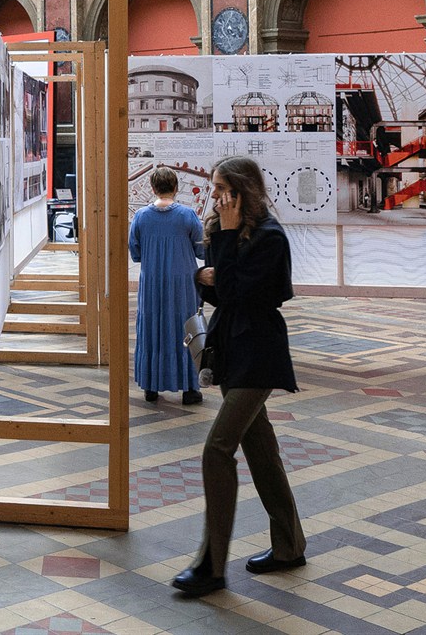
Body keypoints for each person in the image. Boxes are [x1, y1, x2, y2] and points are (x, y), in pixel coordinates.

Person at [172, 156, 306, 599]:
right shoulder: (219, 230)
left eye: (220, 188)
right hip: (231, 350)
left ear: (241, 190)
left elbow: (236, 291)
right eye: (213, 187)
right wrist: (202, 274)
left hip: (259, 353)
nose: (213, 196)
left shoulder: (270, 237)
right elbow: (216, 291)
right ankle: (289, 546)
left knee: (217, 450)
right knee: (262, 452)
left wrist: (222, 261)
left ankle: (211, 566)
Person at [129, 166, 205, 406]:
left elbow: (135, 252)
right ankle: (189, 389)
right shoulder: (188, 215)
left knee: (152, 328)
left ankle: (151, 385)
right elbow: (201, 250)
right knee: (186, 330)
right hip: (183, 284)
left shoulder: (141, 216)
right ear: (176, 187)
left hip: (152, 282)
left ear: (152, 188)